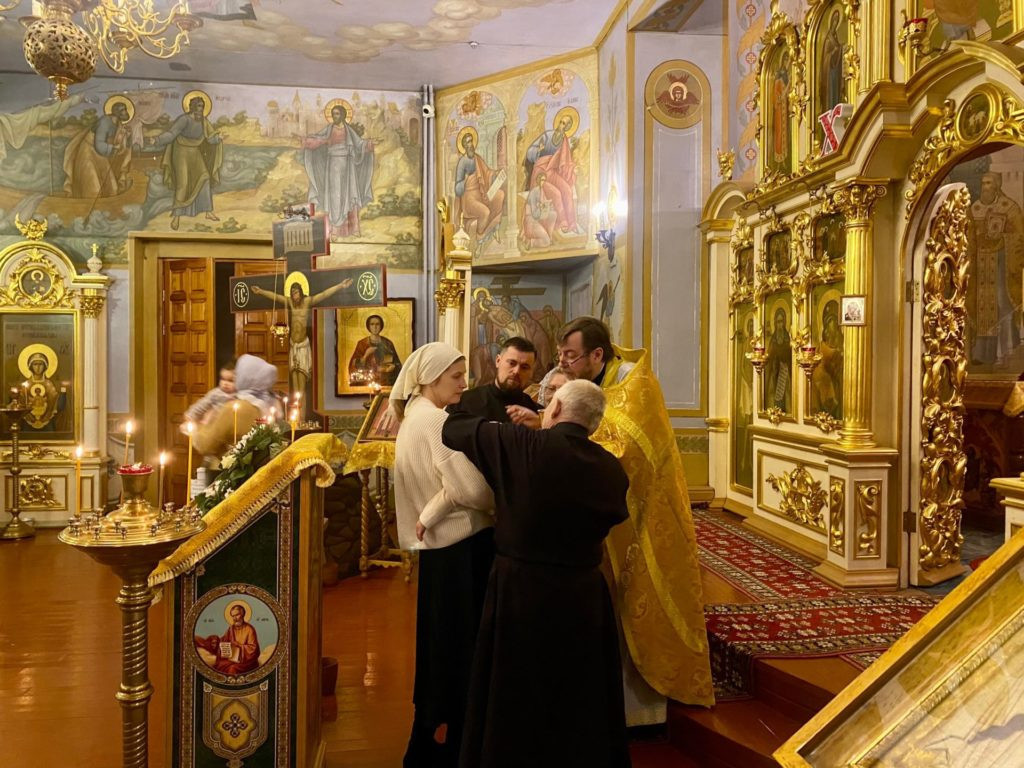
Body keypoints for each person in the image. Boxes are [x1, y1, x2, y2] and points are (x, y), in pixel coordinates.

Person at [441, 380, 630, 768]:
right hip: (583, 594)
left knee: (516, 691)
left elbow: (453, 428)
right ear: (594, 424)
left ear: (555, 408)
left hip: (521, 589)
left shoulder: (520, 444)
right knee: (578, 691)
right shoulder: (612, 469)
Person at [554, 316, 715, 718]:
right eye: (561, 355)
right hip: (609, 509)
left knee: (639, 594)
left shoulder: (634, 382)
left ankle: (639, 705)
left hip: (644, 509)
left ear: (596, 354)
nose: (564, 364)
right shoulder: (590, 379)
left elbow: (626, 445)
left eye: (570, 356)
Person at [390, 342, 496, 768]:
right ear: (430, 378)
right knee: (460, 645)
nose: (463, 383)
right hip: (461, 546)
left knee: (439, 643)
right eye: (456, 376)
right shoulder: (437, 422)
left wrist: (436, 506)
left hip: (437, 547)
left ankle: (431, 735)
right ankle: (458, 740)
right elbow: (474, 490)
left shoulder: (413, 416)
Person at [252, 275, 353, 415]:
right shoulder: (290, 303)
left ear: (301, 292)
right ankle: (297, 418)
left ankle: (303, 417)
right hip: (293, 346)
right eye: (292, 293)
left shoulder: (307, 301)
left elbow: (324, 294)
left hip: (303, 347)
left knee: (302, 387)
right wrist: (260, 291)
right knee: (295, 388)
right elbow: (275, 297)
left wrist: (340, 286)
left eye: (296, 292)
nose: (294, 296)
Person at [147, 94, 223, 231]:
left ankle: (208, 211)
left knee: (204, 177)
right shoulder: (184, 119)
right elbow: (172, 134)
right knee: (183, 183)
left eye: (202, 106)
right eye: (198, 106)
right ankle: (176, 217)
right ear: (192, 107)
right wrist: (157, 140)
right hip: (181, 152)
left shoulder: (204, 121)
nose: (201, 109)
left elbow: (210, 137)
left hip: (194, 152)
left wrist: (218, 138)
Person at [302, 103, 375, 239]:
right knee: (335, 197)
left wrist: (370, 144)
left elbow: (360, 144)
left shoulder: (348, 130)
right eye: (333, 114)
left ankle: (352, 229)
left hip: (348, 167)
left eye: (337, 114)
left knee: (349, 195)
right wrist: (309, 141)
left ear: (343, 115)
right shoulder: (329, 129)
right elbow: (317, 140)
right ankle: (334, 230)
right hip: (333, 166)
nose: (334, 116)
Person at [193, 354, 279, 459]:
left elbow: (205, 445)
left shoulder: (233, 409)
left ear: (244, 377)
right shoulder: (272, 403)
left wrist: (199, 426)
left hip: (235, 467)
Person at [448, 336, 539, 425]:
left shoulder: (536, 414)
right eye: (512, 363)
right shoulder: (463, 403)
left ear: (531, 372)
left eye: (524, 367)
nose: (516, 371)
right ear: (498, 361)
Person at [62, 96, 134, 199]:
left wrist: (128, 136)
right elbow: (99, 144)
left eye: (125, 109)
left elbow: (121, 146)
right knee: (93, 188)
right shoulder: (105, 122)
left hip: (100, 155)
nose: (126, 112)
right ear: (117, 112)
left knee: (111, 188)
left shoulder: (118, 124)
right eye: (123, 110)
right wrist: (113, 148)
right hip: (88, 152)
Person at [523, 111, 581, 235]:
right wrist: (538, 151)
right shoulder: (547, 136)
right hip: (541, 171)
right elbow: (529, 152)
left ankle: (572, 223)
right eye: (561, 122)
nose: (561, 126)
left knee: (567, 190)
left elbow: (565, 162)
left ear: (567, 128)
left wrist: (571, 169)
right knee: (556, 193)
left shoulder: (564, 142)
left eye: (564, 124)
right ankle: (563, 222)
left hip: (552, 171)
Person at [454, 129, 505, 238]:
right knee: (485, 212)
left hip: (482, 193)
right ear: (464, 146)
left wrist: (495, 174)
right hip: (469, 198)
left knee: (500, 195)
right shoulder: (462, 162)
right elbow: (457, 188)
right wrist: (466, 181)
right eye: (468, 142)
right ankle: (480, 237)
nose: (471, 144)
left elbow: (487, 172)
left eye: (471, 141)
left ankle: (491, 227)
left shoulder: (477, 158)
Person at [193, 603, 261, 676]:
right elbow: (223, 640)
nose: (235, 618)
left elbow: (253, 649)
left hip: (246, 661)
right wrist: (215, 640)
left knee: (232, 668)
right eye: (233, 616)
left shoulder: (249, 629)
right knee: (219, 665)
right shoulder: (231, 629)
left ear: (242, 614)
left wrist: (238, 645)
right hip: (232, 659)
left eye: (237, 615)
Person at [348, 314, 402, 387]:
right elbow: (353, 366)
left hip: (385, 381)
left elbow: (397, 364)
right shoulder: (362, 343)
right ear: (368, 326)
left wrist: (393, 367)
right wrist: (366, 355)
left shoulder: (388, 343)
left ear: (381, 326)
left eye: (377, 324)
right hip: (367, 380)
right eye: (372, 324)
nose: (375, 327)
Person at [23, 350, 68, 431]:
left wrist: (62, 395)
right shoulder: (26, 384)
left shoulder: (49, 384)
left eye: (40, 364)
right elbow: (22, 402)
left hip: (47, 419)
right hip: (28, 420)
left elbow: (55, 403)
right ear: (31, 366)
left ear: (45, 366)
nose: (38, 367)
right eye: (35, 364)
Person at [185, 361, 236, 426]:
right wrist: (191, 414)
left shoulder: (238, 395)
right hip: (214, 423)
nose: (225, 383)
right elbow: (202, 404)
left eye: (230, 380)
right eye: (223, 379)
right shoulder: (216, 393)